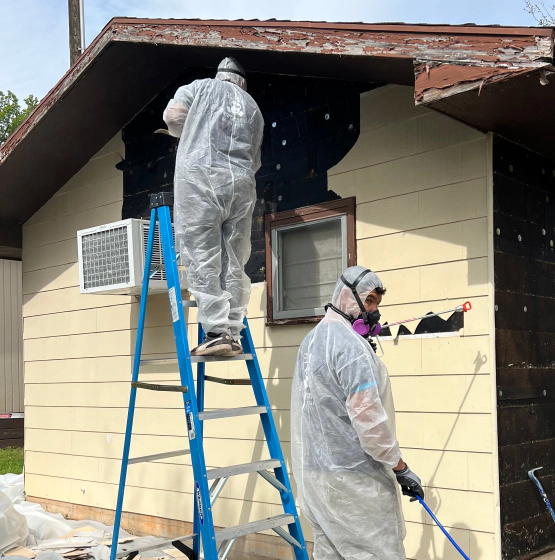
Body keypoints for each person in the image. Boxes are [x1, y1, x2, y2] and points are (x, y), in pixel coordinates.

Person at [291, 265, 424, 560]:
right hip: (354, 481)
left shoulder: (310, 341)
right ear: (347, 296)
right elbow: (369, 421)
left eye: (377, 303)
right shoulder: (351, 348)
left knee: (330, 552)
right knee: (376, 553)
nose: (373, 311)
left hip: (315, 476)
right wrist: (400, 468)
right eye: (370, 301)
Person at [162, 57, 264, 356]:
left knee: (202, 252)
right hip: (241, 186)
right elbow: (255, 155)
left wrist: (197, 130)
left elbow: (173, 118)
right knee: (234, 257)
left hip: (201, 179)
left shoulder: (201, 88)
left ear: (220, 76)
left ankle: (217, 331)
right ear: (242, 81)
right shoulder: (253, 108)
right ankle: (232, 329)